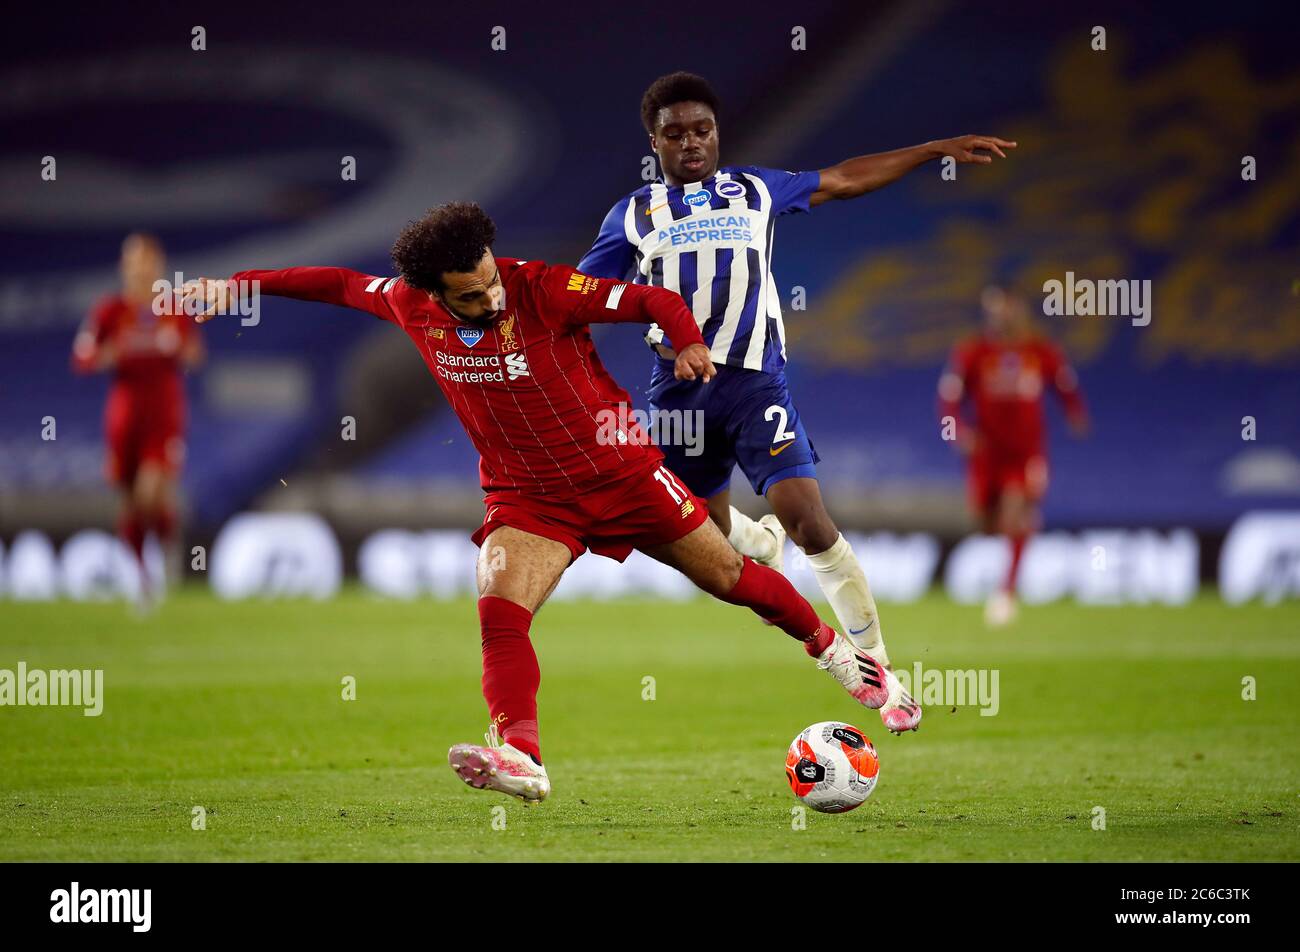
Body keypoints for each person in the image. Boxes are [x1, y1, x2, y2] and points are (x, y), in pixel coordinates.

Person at [181, 202, 906, 803]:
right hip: (528, 496)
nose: (491, 298)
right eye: (470, 294)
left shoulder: (544, 289)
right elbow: (336, 283)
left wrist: (686, 343)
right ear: (434, 292)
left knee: (730, 579)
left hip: (621, 470)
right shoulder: (406, 304)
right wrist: (238, 285)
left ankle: (835, 654)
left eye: (490, 280)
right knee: (499, 613)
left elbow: (651, 299)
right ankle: (523, 757)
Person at [578, 71, 1015, 731]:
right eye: (676, 134)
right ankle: (758, 539)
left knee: (808, 517)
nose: (692, 143)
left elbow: (843, 178)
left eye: (702, 130)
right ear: (655, 143)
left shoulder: (754, 189)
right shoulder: (631, 215)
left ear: (716, 132)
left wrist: (929, 149)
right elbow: (581, 292)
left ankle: (882, 674)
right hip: (678, 394)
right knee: (701, 534)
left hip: (755, 381)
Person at [938, 285, 1089, 626]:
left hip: (1026, 454)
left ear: (1019, 309)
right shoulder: (972, 352)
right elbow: (948, 399)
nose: (1000, 315)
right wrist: (958, 431)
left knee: (1014, 514)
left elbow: (1065, 385)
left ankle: (1005, 594)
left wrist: (1075, 413)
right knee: (986, 522)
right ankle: (1022, 535)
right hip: (986, 454)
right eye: (993, 309)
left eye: (1005, 307)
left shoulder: (1040, 351)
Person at [72, 233, 204, 605]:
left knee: (151, 492)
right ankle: (142, 575)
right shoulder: (109, 312)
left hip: (163, 414)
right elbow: (82, 358)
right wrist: (106, 357)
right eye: (135, 262)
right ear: (124, 267)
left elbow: (195, 354)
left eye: (149, 261)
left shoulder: (173, 309)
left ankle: (163, 553)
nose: (142, 269)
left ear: (159, 267)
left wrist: (180, 350)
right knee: (131, 501)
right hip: (124, 416)